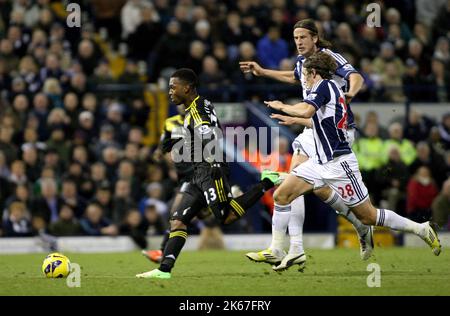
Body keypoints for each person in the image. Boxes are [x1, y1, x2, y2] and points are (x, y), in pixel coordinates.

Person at [265, 52, 441, 271]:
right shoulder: (326, 89)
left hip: (340, 163)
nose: (303, 80)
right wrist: (295, 118)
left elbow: (307, 109)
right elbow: (319, 120)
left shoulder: (324, 86)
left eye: (305, 75)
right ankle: (277, 250)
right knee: (282, 195)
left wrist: (282, 106)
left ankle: (421, 229)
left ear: (313, 73)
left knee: (368, 216)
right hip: (319, 162)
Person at [240, 19, 371, 267]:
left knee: (295, 181)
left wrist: (349, 95)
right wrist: (264, 71)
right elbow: (294, 77)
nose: (299, 42)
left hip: (335, 131)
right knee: (310, 186)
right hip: (313, 129)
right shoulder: (303, 63)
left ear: (315, 38)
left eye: (303, 37)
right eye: (295, 37)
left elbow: (356, 76)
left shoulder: (328, 57)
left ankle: (288, 247)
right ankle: (351, 228)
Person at [136, 68, 276, 279]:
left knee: (225, 217)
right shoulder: (197, 106)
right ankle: (164, 270)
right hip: (196, 173)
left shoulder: (198, 109)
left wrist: (213, 163)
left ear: (187, 88)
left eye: (173, 87)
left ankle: (266, 182)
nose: (170, 92)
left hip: (209, 170)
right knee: (178, 220)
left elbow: (208, 133)